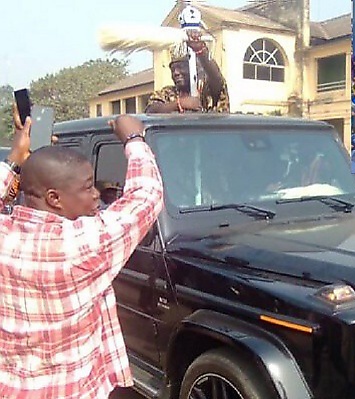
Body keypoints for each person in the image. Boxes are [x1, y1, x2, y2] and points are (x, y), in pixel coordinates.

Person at [0, 109, 164, 398]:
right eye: (88, 187)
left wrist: (15, 158)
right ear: (54, 199)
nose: (97, 194)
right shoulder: (81, 244)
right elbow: (146, 196)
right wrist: (134, 138)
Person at [146, 30, 229, 114]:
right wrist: (179, 104)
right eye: (173, 69)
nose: (176, 73)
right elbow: (151, 110)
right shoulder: (167, 93)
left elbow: (216, 78)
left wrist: (201, 50)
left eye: (181, 67)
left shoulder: (205, 91)